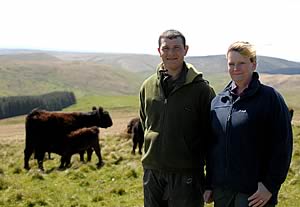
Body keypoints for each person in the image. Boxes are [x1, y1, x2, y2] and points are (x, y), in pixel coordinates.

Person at [203, 41, 293, 207]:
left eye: (241, 63)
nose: (236, 68)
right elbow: (212, 147)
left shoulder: (270, 99)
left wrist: (270, 186)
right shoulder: (218, 102)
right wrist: (209, 184)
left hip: (255, 194)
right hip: (223, 192)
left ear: (253, 64)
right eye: (231, 64)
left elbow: (283, 146)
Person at [139, 29, 216, 207]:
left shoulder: (202, 90)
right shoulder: (147, 86)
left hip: (187, 174)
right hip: (153, 173)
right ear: (159, 51)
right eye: (166, 48)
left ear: (185, 50)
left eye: (176, 48)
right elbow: (146, 124)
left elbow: (212, 138)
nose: (171, 53)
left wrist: (211, 181)